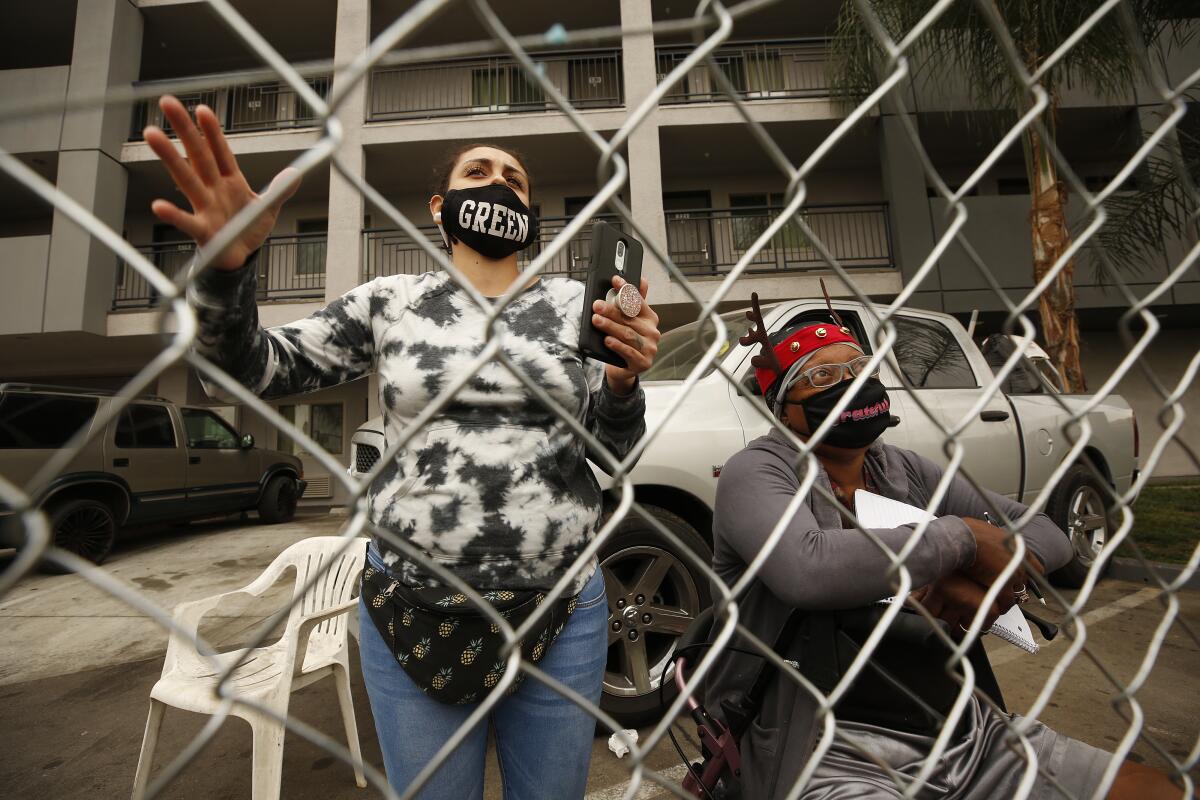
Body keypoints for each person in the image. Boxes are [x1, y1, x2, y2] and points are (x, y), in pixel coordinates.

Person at [143, 95, 662, 799]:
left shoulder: (575, 305)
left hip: (562, 612)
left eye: (515, 177)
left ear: (531, 218)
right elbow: (256, 368)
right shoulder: (391, 301)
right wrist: (228, 270)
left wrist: (625, 385)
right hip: (414, 608)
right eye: (479, 169)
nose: (499, 181)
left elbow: (613, 455)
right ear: (440, 205)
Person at [704, 295, 1182, 799]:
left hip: (961, 729)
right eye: (821, 379)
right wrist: (963, 539)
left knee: (1154, 789)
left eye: (858, 366)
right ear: (784, 406)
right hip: (826, 747)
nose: (849, 383)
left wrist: (996, 570)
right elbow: (808, 567)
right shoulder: (757, 470)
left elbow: (1045, 530)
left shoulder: (903, 470)